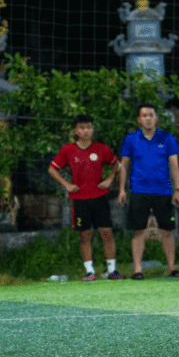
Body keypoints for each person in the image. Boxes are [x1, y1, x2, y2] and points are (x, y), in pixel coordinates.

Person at [48, 114, 123, 281]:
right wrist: (67, 185)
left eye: (88, 127)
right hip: (80, 200)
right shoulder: (68, 150)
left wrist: (109, 180)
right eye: (82, 128)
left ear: (92, 129)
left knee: (106, 232)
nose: (85, 131)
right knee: (84, 235)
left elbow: (117, 164)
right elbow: (52, 169)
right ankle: (90, 271)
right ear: (75, 130)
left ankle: (112, 270)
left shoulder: (100, 148)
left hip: (99, 197)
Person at [117, 103, 179, 279]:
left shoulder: (167, 138)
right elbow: (123, 166)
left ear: (156, 118)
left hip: (163, 191)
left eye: (151, 115)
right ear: (139, 119)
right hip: (139, 190)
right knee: (139, 230)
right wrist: (121, 189)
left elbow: (174, 165)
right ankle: (138, 269)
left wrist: (177, 190)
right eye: (144, 115)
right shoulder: (131, 139)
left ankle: (171, 268)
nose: (148, 118)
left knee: (166, 230)